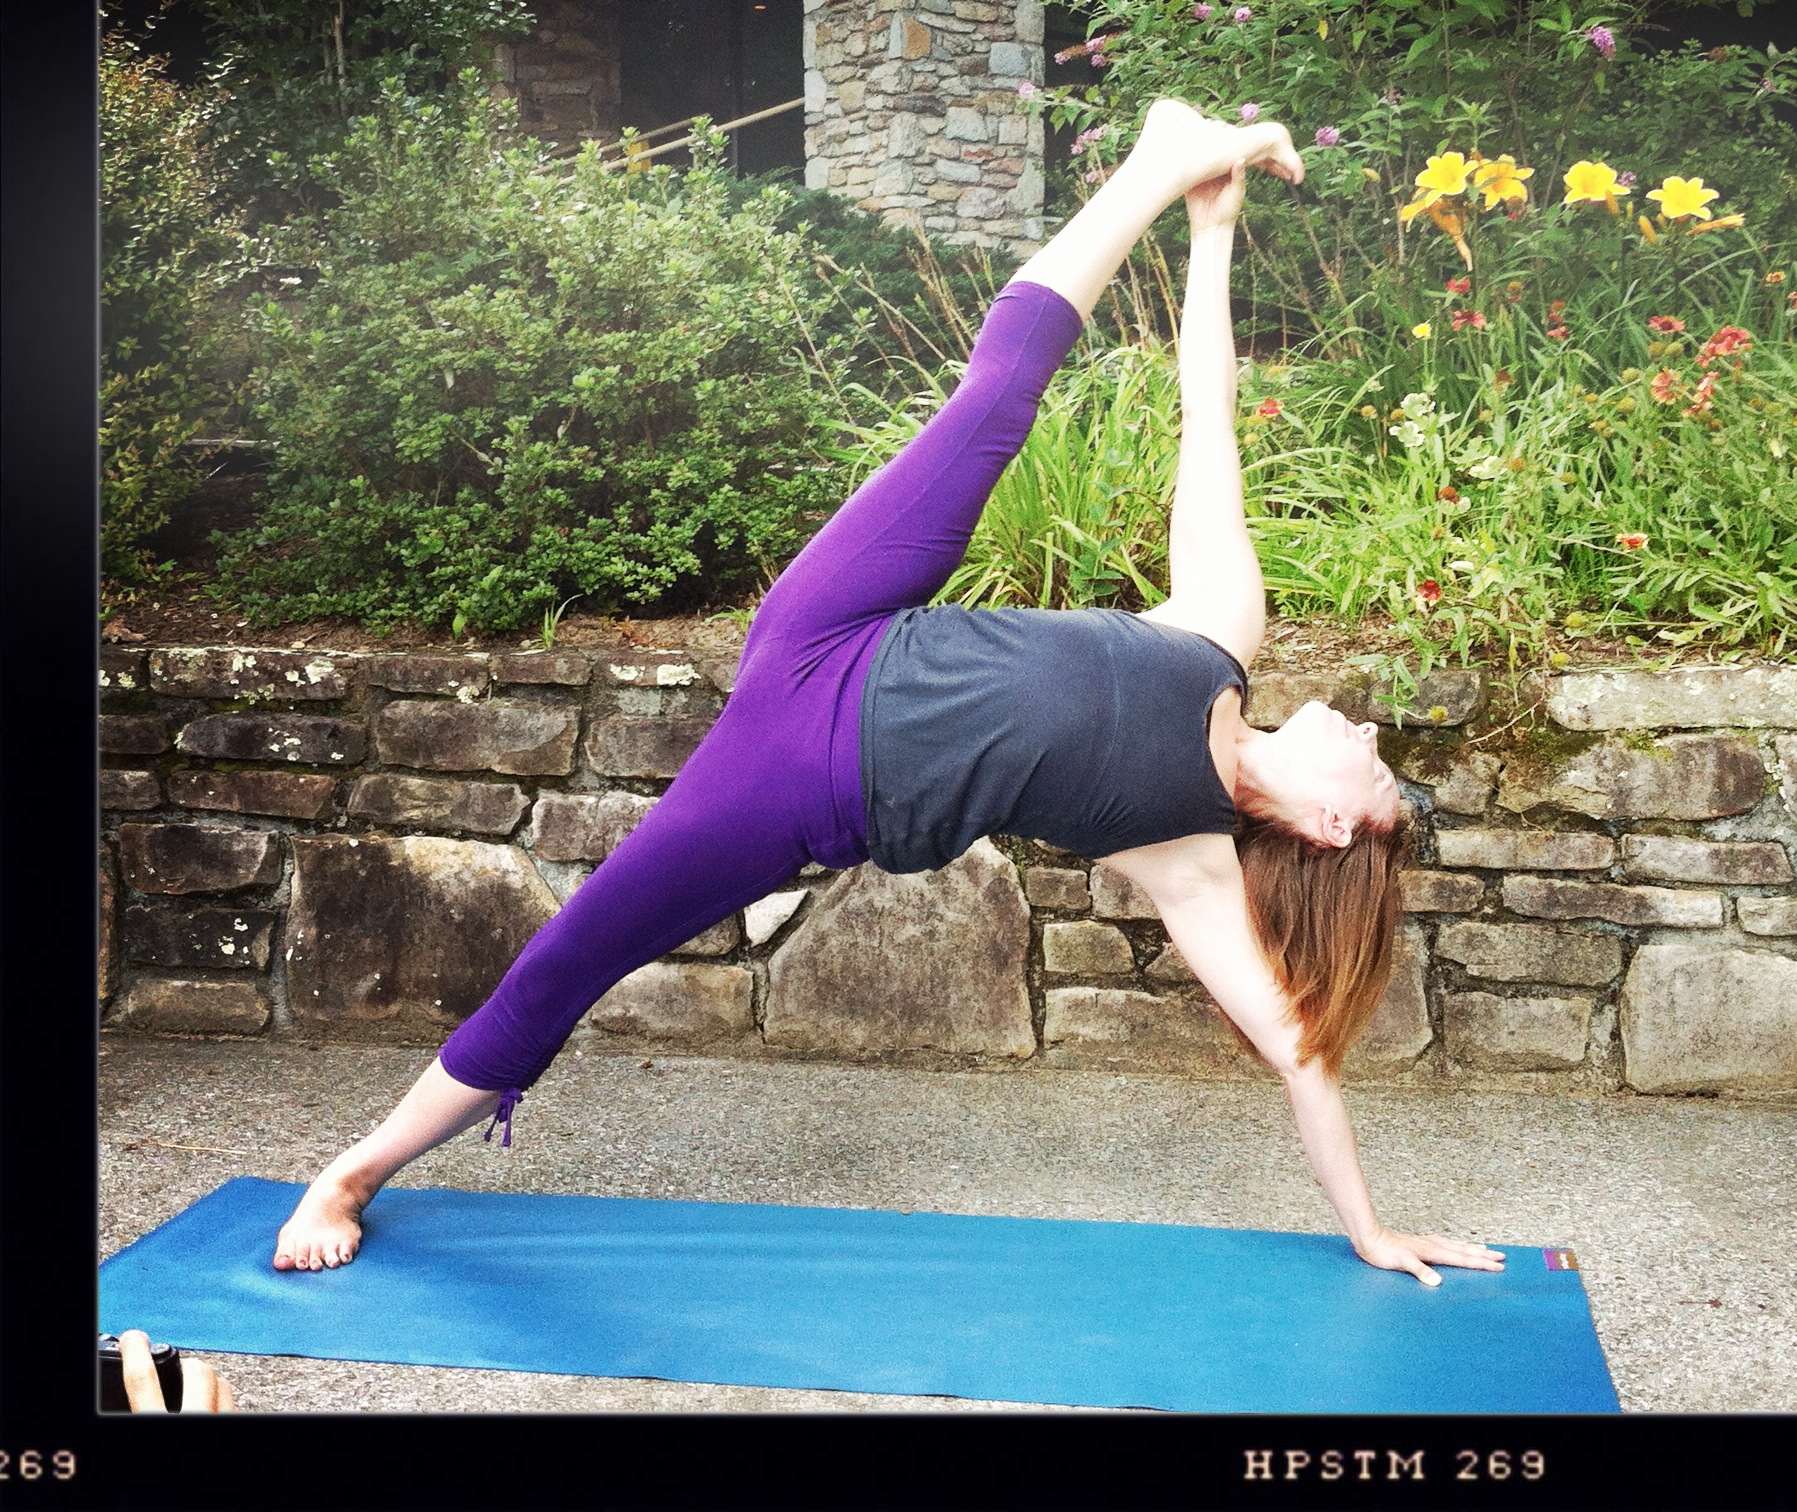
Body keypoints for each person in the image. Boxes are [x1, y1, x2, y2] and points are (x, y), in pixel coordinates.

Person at [274, 97, 1504, 1290]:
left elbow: (1298, 1051)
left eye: (1375, 766)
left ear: (1330, 826)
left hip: (797, 781)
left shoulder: (1185, 854)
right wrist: (1212, 228)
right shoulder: (1222, 631)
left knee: (570, 959)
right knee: (993, 399)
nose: (1369, 729)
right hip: (843, 625)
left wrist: (1370, 1229)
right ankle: (1161, 160)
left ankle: (349, 1173)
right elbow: (1208, 417)